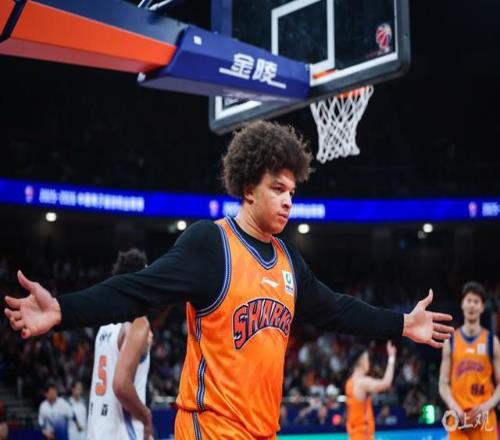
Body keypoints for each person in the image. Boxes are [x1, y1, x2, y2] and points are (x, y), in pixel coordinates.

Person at [5, 121, 453, 439]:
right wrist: (62, 309)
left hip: (263, 431)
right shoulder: (211, 245)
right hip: (210, 428)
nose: (288, 201)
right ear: (248, 189)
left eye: (292, 192)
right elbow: (136, 289)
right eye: (277, 188)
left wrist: (401, 323)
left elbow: (338, 309)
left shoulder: (288, 261)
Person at [87, 248, 153, 440]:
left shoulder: (105, 325)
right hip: (122, 432)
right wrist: (146, 417)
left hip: (96, 431)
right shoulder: (137, 322)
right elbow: (121, 386)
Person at [439, 281, 500, 439]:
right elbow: (443, 383)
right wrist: (453, 405)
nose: (472, 305)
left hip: (485, 420)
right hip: (458, 419)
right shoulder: (451, 341)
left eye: (476, 301)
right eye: (469, 300)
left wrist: (486, 406)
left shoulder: (492, 342)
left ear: (482, 307)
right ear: (462, 304)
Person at [345, 341, 397, 440]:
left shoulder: (349, 383)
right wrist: (391, 358)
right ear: (362, 361)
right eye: (367, 359)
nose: (369, 362)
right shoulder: (362, 382)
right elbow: (386, 383)